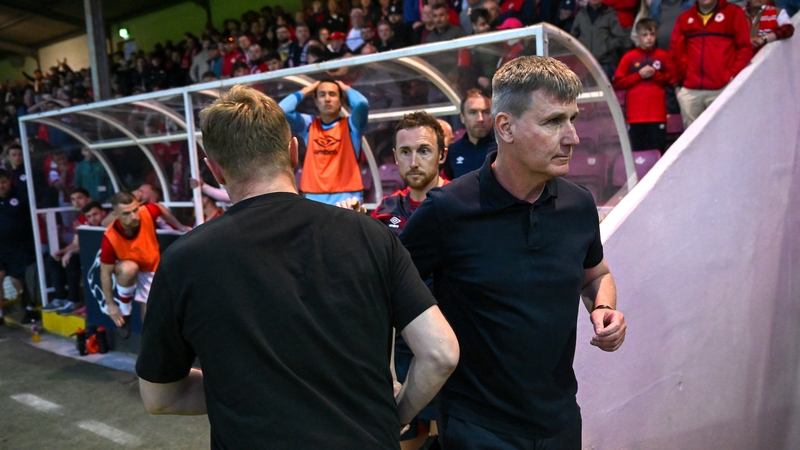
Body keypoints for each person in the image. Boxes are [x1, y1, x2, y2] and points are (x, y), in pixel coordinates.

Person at [135, 85, 459, 449]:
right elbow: (440, 352)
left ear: (215, 170)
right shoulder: (370, 234)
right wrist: (397, 413)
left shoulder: (183, 259)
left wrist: (249, 392)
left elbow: (160, 396)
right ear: (293, 151)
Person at [400, 56, 627, 449]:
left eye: (572, 119)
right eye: (554, 121)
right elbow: (387, 291)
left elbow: (595, 274)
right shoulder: (447, 209)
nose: (572, 136)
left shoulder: (579, 205)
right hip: (478, 427)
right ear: (505, 127)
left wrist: (602, 307)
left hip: (559, 420)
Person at [279, 79, 369, 205]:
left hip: (347, 196)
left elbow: (362, 104)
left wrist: (345, 87)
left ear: (341, 100)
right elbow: (281, 111)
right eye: (322, 95)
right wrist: (307, 90)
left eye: (332, 94)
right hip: (313, 196)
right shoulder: (309, 125)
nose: (327, 99)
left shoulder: (351, 125)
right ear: (315, 101)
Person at [669, 0, 752, 127]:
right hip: (691, 92)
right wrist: (677, 86)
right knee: (693, 143)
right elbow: (674, 52)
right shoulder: (684, 18)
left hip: (721, 89)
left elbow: (744, 48)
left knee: (725, 136)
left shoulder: (733, 13)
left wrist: (732, 76)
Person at [100, 191, 172, 337]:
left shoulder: (146, 212)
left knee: (150, 314)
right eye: (126, 213)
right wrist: (110, 305)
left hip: (151, 265)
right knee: (129, 268)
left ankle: (150, 345)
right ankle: (125, 313)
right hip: (128, 267)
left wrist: (179, 225)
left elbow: (160, 208)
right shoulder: (110, 237)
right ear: (116, 215)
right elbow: (105, 272)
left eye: (135, 210)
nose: (134, 216)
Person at [613, 18, 674, 153]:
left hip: (657, 115)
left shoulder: (663, 56)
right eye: (645, 35)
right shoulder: (629, 57)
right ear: (637, 37)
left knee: (658, 154)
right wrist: (639, 75)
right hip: (635, 117)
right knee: (638, 155)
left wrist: (655, 74)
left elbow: (671, 81)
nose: (649, 38)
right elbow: (618, 83)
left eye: (652, 34)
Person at [0, 169, 38, 324]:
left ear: (9, 181)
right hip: (1, 248)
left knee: (19, 281)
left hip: (20, 247)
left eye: (3, 182)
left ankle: (29, 308)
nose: (1, 186)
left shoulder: (22, 197)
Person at [442, 89, 497, 180]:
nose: (480, 118)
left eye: (486, 112)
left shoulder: (504, 147)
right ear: (462, 117)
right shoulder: (453, 151)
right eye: (473, 112)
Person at [570, 0, 629, 81]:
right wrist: (579, 51)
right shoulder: (581, 13)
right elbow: (572, 37)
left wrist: (606, 47)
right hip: (583, 63)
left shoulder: (610, 14)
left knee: (604, 92)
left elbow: (619, 37)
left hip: (604, 64)